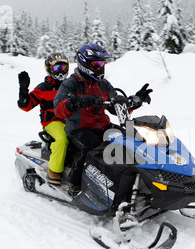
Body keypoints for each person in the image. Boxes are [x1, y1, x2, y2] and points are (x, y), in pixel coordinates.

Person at [54, 43, 153, 195]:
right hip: (79, 129)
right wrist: (73, 102)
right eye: (96, 64)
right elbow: (58, 109)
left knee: (132, 139)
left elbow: (115, 107)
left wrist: (136, 100)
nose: (100, 67)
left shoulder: (103, 84)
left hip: (102, 126)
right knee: (92, 147)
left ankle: (137, 179)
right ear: (84, 63)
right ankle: (75, 184)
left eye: (102, 63)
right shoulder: (70, 84)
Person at [17, 53, 70, 185]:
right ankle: (54, 172)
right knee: (62, 139)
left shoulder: (70, 85)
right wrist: (23, 90)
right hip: (53, 122)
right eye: (57, 68)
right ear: (49, 69)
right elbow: (26, 106)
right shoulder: (44, 88)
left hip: (71, 120)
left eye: (63, 68)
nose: (61, 72)